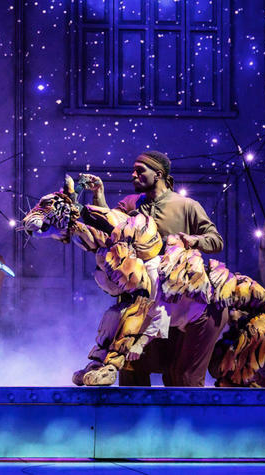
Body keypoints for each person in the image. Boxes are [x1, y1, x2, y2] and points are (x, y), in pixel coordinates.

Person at [81, 150, 226, 386]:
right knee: (130, 372)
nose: (133, 175)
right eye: (134, 170)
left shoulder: (186, 205)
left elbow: (216, 240)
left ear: (158, 174)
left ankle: (180, 422)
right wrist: (99, 195)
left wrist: (194, 240)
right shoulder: (130, 204)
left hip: (176, 303)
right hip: (138, 299)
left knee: (179, 378)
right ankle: (136, 423)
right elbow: (109, 227)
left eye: (140, 170)